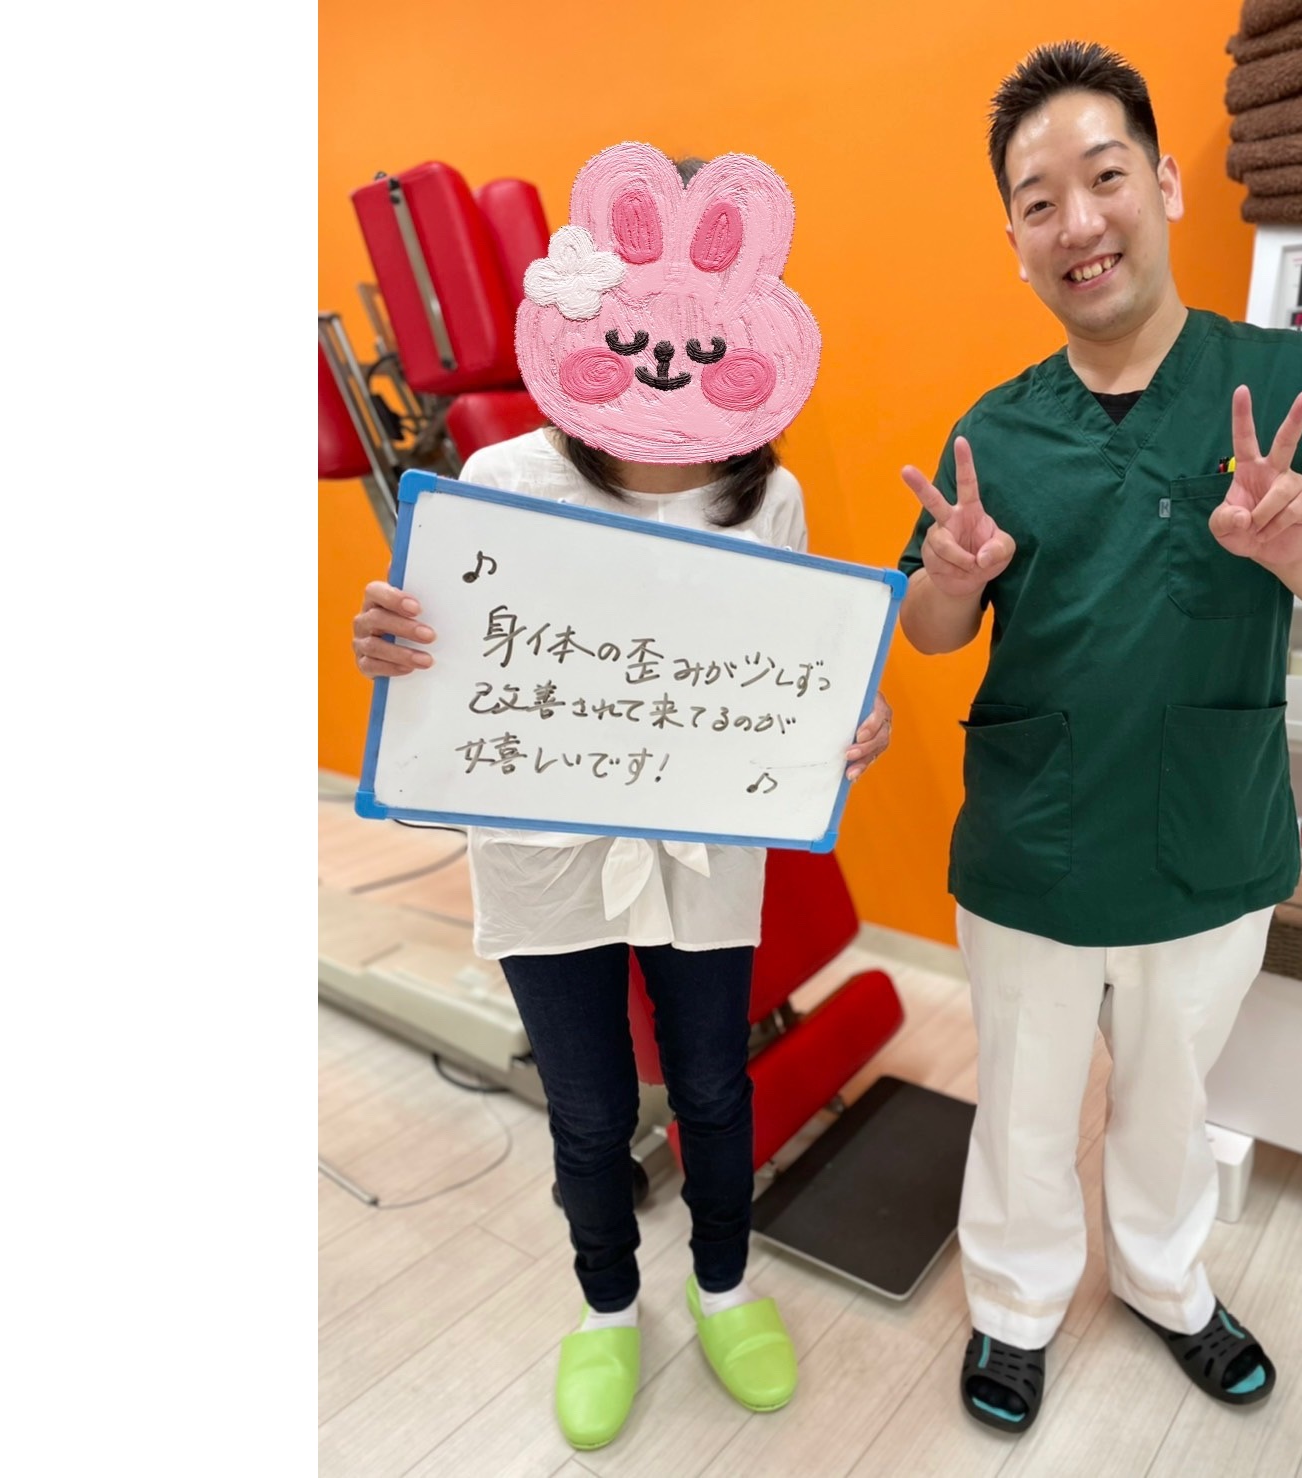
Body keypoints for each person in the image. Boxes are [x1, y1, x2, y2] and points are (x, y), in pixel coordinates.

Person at [895, 42, 1302, 1434]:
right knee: (1023, 1100)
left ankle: (1165, 1281)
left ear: (1166, 183)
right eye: (1038, 202)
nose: (1078, 222)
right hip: (1038, 842)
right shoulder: (995, 430)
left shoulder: (1291, 379)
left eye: (1104, 176)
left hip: (1209, 834)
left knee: (1175, 1094)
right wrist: (947, 582)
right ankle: (1016, 1307)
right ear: (1015, 239)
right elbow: (931, 633)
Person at [351, 146, 893, 1452]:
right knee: (592, 1108)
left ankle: (725, 1284)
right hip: (543, 852)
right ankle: (605, 1305)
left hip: (704, 849)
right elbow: (454, 674)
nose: (669, 352)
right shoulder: (503, 484)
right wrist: (394, 652)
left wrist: (842, 720)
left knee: (712, 1084)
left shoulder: (771, 495)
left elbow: (783, 664)